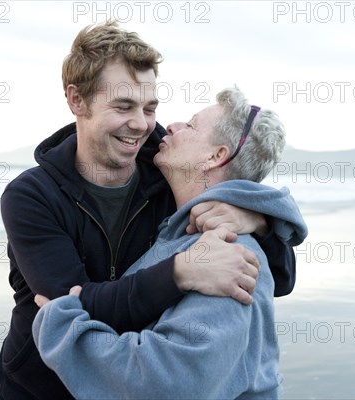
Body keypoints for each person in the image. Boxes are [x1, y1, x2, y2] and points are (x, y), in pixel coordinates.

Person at [0, 21, 296, 399]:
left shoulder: (171, 172)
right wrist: (181, 272)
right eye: (123, 106)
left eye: (149, 107)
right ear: (77, 100)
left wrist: (258, 221)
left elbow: (277, 277)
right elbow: (70, 308)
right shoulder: (31, 196)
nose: (141, 124)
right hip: (40, 388)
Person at [32, 87, 308, 399]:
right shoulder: (180, 226)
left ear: (216, 156)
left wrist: (63, 328)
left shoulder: (227, 256)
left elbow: (166, 384)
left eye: (191, 125)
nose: (172, 125)